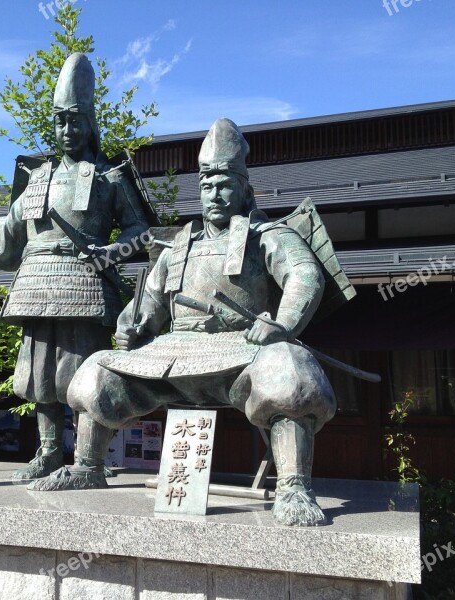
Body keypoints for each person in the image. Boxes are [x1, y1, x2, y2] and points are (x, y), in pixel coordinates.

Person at [29, 118, 337, 527]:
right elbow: (149, 302)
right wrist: (131, 326)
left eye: (225, 184)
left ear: (244, 188)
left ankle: (294, 486)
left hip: (241, 351)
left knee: (289, 369)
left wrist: (282, 325)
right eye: (207, 185)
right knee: (97, 368)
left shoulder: (268, 235)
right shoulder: (180, 244)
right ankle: (88, 467)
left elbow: (304, 275)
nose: (215, 194)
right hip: (174, 354)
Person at [0, 53, 151, 480]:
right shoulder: (38, 178)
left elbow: (142, 232)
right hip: (36, 283)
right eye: (59, 121)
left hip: (83, 283)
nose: (67, 130)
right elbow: (9, 228)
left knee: (82, 372)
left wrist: (109, 254)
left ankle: (87, 460)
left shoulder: (110, 176)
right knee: (40, 375)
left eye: (74, 120)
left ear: (89, 123)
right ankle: (49, 450)